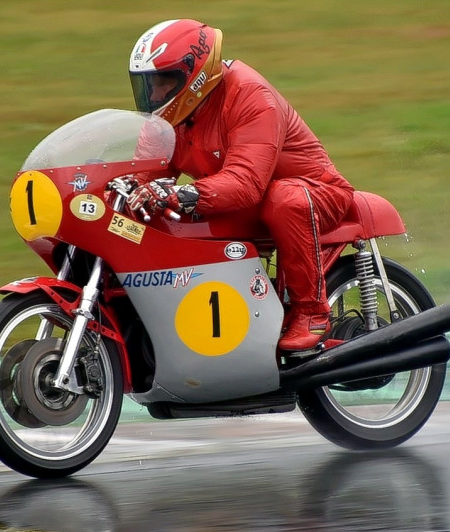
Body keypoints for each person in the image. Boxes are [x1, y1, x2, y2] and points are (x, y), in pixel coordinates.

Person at [126, 19, 355, 354]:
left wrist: (182, 194)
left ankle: (312, 312)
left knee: (283, 199)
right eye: (148, 84)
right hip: (247, 201)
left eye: (164, 82)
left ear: (196, 75)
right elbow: (146, 175)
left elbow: (247, 183)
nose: (154, 95)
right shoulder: (169, 118)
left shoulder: (250, 95)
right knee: (160, 217)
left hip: (315, 193)